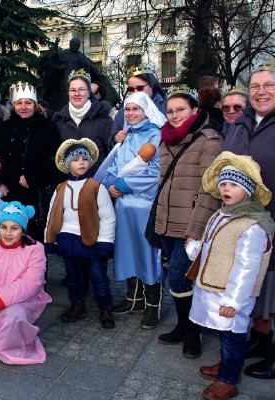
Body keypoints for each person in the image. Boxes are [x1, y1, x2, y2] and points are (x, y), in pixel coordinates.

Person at [186, 153, 273, 399]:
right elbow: (211, 244)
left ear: (247, 190)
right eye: (223, 184)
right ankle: (226, 365)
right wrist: (193, 249)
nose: (226, 189)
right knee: (225, 333)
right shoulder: (222, 214)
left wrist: (234, 301)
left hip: (232, 294)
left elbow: (247, 267)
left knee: (233, 334)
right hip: (215, 286)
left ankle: (229, 378)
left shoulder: (252, 226)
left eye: (234, 185)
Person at [155, 85, 222, 354]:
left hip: (191, 224)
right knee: (177, 277)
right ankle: (183, 325)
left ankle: (193, 331)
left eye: (180, 109)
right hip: (168, 220)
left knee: (179, 278)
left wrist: (195, 228)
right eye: (170, 111)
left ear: (195, 110)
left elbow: (210, 189)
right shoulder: (166, 139)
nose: (174, 115)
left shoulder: (209, 141)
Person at [223, 58, 275, 379]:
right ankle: (261, 340)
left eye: (269, 85)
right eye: (255, 86)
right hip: (242, 222)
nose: (261, 91)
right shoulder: (239, 124)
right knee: (257, 283)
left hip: (272, 218)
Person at [102, 92, 166, 330]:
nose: (130, 113)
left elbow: (155, 172)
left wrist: (121, 185)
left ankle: (152, 305)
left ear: (146, 111)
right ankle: (133, 298)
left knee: (147, 252)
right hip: (124, 207)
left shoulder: (156, 135)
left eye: (135, 109)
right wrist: (109, 183)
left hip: (144, 206)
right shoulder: (127, 137)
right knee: (127, 251)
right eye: (127, 109)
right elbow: (116, 164)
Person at [0, 201, 52, 365]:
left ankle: (17, 334)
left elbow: (30, 283)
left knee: (14, 316)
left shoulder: (35, 249)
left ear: (23, 230)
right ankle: (3, 337)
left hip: (21, 301)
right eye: (4, 227)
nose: (8, 233)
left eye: (14, 228)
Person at [46, 138, 116, 329]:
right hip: (68, 238)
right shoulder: (61, 188)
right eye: (76, 160)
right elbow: (53, 214)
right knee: (73, 276)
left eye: (84, 159)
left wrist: (105, 242)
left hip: (91, 239)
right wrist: (49, 239)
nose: (81, 163)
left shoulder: (96, 187)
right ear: (68, 164)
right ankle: (77, 305)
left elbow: (107, 217)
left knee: (98, 276)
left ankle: (105, 308)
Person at [0, 82, 62, 240]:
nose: (23, 107)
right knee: (9, 239)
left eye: (28, 103)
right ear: (13, 105)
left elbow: (55, 160)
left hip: (37, 195)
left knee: (34, 240)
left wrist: (32, 177)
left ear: (35, 105)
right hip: (9, 194)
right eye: (19, 103)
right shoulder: (5, 128)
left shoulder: (49, 127)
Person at [52, 69, 113, 173]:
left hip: (98, 182)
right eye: (73, 90)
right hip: (70, 183)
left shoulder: (104, 120)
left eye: (81, 89)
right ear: (68, 93)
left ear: (89, 92)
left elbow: (112, 155)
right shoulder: (60, 122)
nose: (77, 93)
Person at [112, 65, 166, 145]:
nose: (136, 92)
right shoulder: (122, 112)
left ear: (151, 85)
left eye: (140, 88)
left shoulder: (166, 107)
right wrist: (115, 138)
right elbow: (111, 139)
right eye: (131, 89)